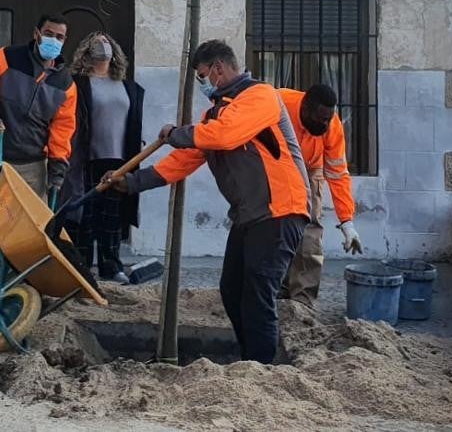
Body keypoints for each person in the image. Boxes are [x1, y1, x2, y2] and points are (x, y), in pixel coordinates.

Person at [106, 40, 310, 364]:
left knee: (258, 295)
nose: (203, 82)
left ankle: (261, 369)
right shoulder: (216, 113)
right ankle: (251, 360)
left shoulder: (260, 96)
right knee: (232, 291)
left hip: (280, 210)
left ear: (218, 68)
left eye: (203, 75)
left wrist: (177, 132)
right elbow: (184, 159)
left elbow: (223, 135)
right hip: (250, 214)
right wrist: (130, 183)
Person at [0, 14, 77, 313]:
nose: (53, 41)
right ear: (36, 33)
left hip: (33, 161)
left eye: (59, 37)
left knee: (33, 231)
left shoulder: (65, 82)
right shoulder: (6, 58)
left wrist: (58, 165)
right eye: (49, 34)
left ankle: (30, 287)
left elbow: (63, 128)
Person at [60, 32, 145, 283]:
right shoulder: (78, 83)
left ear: (114, 50)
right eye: (96, 41)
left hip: (119, 158)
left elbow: (132, 120)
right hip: (86, 158)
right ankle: (82, 266)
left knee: (112, 214)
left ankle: (111, 265)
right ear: (87, 50)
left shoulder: (128, 86)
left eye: (107, 40)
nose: (102, 43)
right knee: (84, 214)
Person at [276, 84, 363, 309]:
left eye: (329, 119)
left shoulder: (331, 126)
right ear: (305, 108)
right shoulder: (279, 103)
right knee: (272, 229)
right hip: (276, 167)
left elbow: (337, 173)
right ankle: (273, 292)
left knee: (309, 232)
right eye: (321, 119)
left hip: (310, 169)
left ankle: (302, 304)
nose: (325, 125)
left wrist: (347, 222)